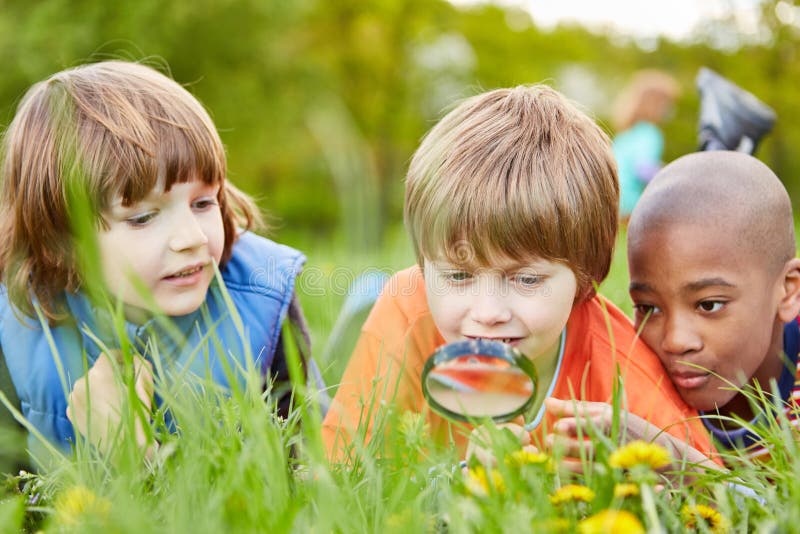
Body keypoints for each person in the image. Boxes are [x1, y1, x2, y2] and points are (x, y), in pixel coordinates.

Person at [321, 85, 713, 462]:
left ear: (586, 276)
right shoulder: (408, 312)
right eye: (458, 277)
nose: (488, 312)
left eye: (525, 280)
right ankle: (356, 317)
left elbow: (728, 495)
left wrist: (668, 466)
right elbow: (338, 478)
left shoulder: (618, 369)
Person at [0, 61, 324, 459]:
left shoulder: (263, 298)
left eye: (203, 202)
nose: (192, 238)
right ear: (58, 241)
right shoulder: (15, 330)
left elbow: (315, 479)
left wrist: (140, 463)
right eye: (143, 217)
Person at [549, 151, 800, 465]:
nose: (675, 341)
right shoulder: (636, 382)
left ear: (788, 291)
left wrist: (682, 467)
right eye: (649, 308)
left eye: (709, 305)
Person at [611, 70, 680, 220]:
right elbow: (643, 169)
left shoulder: (626, 133)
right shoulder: (650, 133)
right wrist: (672, 175)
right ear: (655, 104)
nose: (669, 110)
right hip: (628, 203)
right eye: (667, 104)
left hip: (611, 199)